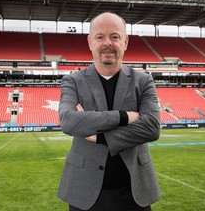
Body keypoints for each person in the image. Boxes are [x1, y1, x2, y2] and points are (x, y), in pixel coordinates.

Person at [57, 12, 161, 211]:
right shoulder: (73, 81)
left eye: (115, 36)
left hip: (134, 192)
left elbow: (151, 128)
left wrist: (99, 137)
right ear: (90, 42)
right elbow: (68, 121)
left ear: (125, 42)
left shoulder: (143, 81)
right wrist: (125, 117)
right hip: (84, 191)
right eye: (100, 37)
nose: (108, 43)